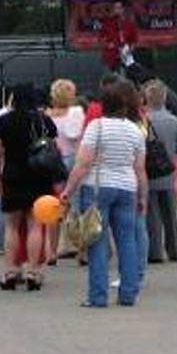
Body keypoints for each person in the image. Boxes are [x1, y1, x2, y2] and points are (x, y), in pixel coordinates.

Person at [61, 79, 148, 307]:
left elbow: (83, 163)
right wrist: (143, 197)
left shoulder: (96, 127)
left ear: (103, 105)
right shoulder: (135, 130)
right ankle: (128, 293)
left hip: (97, 188)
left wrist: (67, 191)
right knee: (127, 241)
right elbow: (140, 169)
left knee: (96, 241)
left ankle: (98, 296)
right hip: (127, 188)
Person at [0, 84, 57, 291]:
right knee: (36, 225)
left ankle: (10, 270)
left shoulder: (3, 122)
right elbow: (53, 150)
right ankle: (33, 272)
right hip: (39, 175)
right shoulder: (44, 121)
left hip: (13, 175)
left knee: (11, 225)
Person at [144, 79, 177, 263]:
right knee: (170, 212)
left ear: (146, 99)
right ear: (165, 99)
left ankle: (155, 251)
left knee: (152, 214)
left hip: (148, 172)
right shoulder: (174, 121)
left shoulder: (143, 121)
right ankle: (173, 249)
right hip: (168, 172)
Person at [46, 79, 85, 261]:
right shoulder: (76, 113)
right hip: (72, 159)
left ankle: (52, 251)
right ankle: (81, 250)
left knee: (53, 206)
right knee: (76, 205)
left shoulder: (47, 116)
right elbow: (77, 139)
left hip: (52, 162)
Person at [101, 0, 140, 72]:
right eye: (115, 8)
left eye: (119, 8)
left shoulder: (129, 23)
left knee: (132, 70)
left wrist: (129, 50)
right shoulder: (107, 23)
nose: (117, 10)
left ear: (123, 9)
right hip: (112, 54)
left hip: (126, 53)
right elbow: (102, 38)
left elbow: (134, 40)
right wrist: (108, 44)